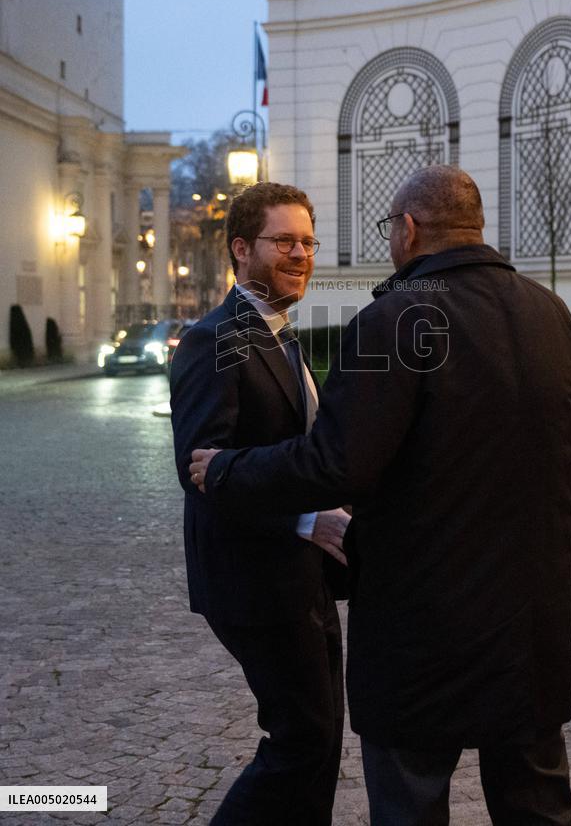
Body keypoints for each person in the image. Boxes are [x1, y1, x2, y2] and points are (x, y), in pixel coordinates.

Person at [190, 165, 571, 826]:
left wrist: (229, 470)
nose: (301, 255)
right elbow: (565, 446)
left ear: (407, 229)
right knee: (539, 807)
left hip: (423, 636)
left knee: (410, 802)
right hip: (532, 630)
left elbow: (338, 462)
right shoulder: (549, 312)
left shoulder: (397, 317)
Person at [170, 181, 350, 826]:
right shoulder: (212, 339)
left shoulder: (279, 332)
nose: (301, 254)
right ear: (241, 249)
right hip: (252, 578)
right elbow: (199, 471)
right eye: (284, 241)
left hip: (302, 575)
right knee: (301, 738)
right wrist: (306, 519)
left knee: (320, 737)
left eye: (308, 241)